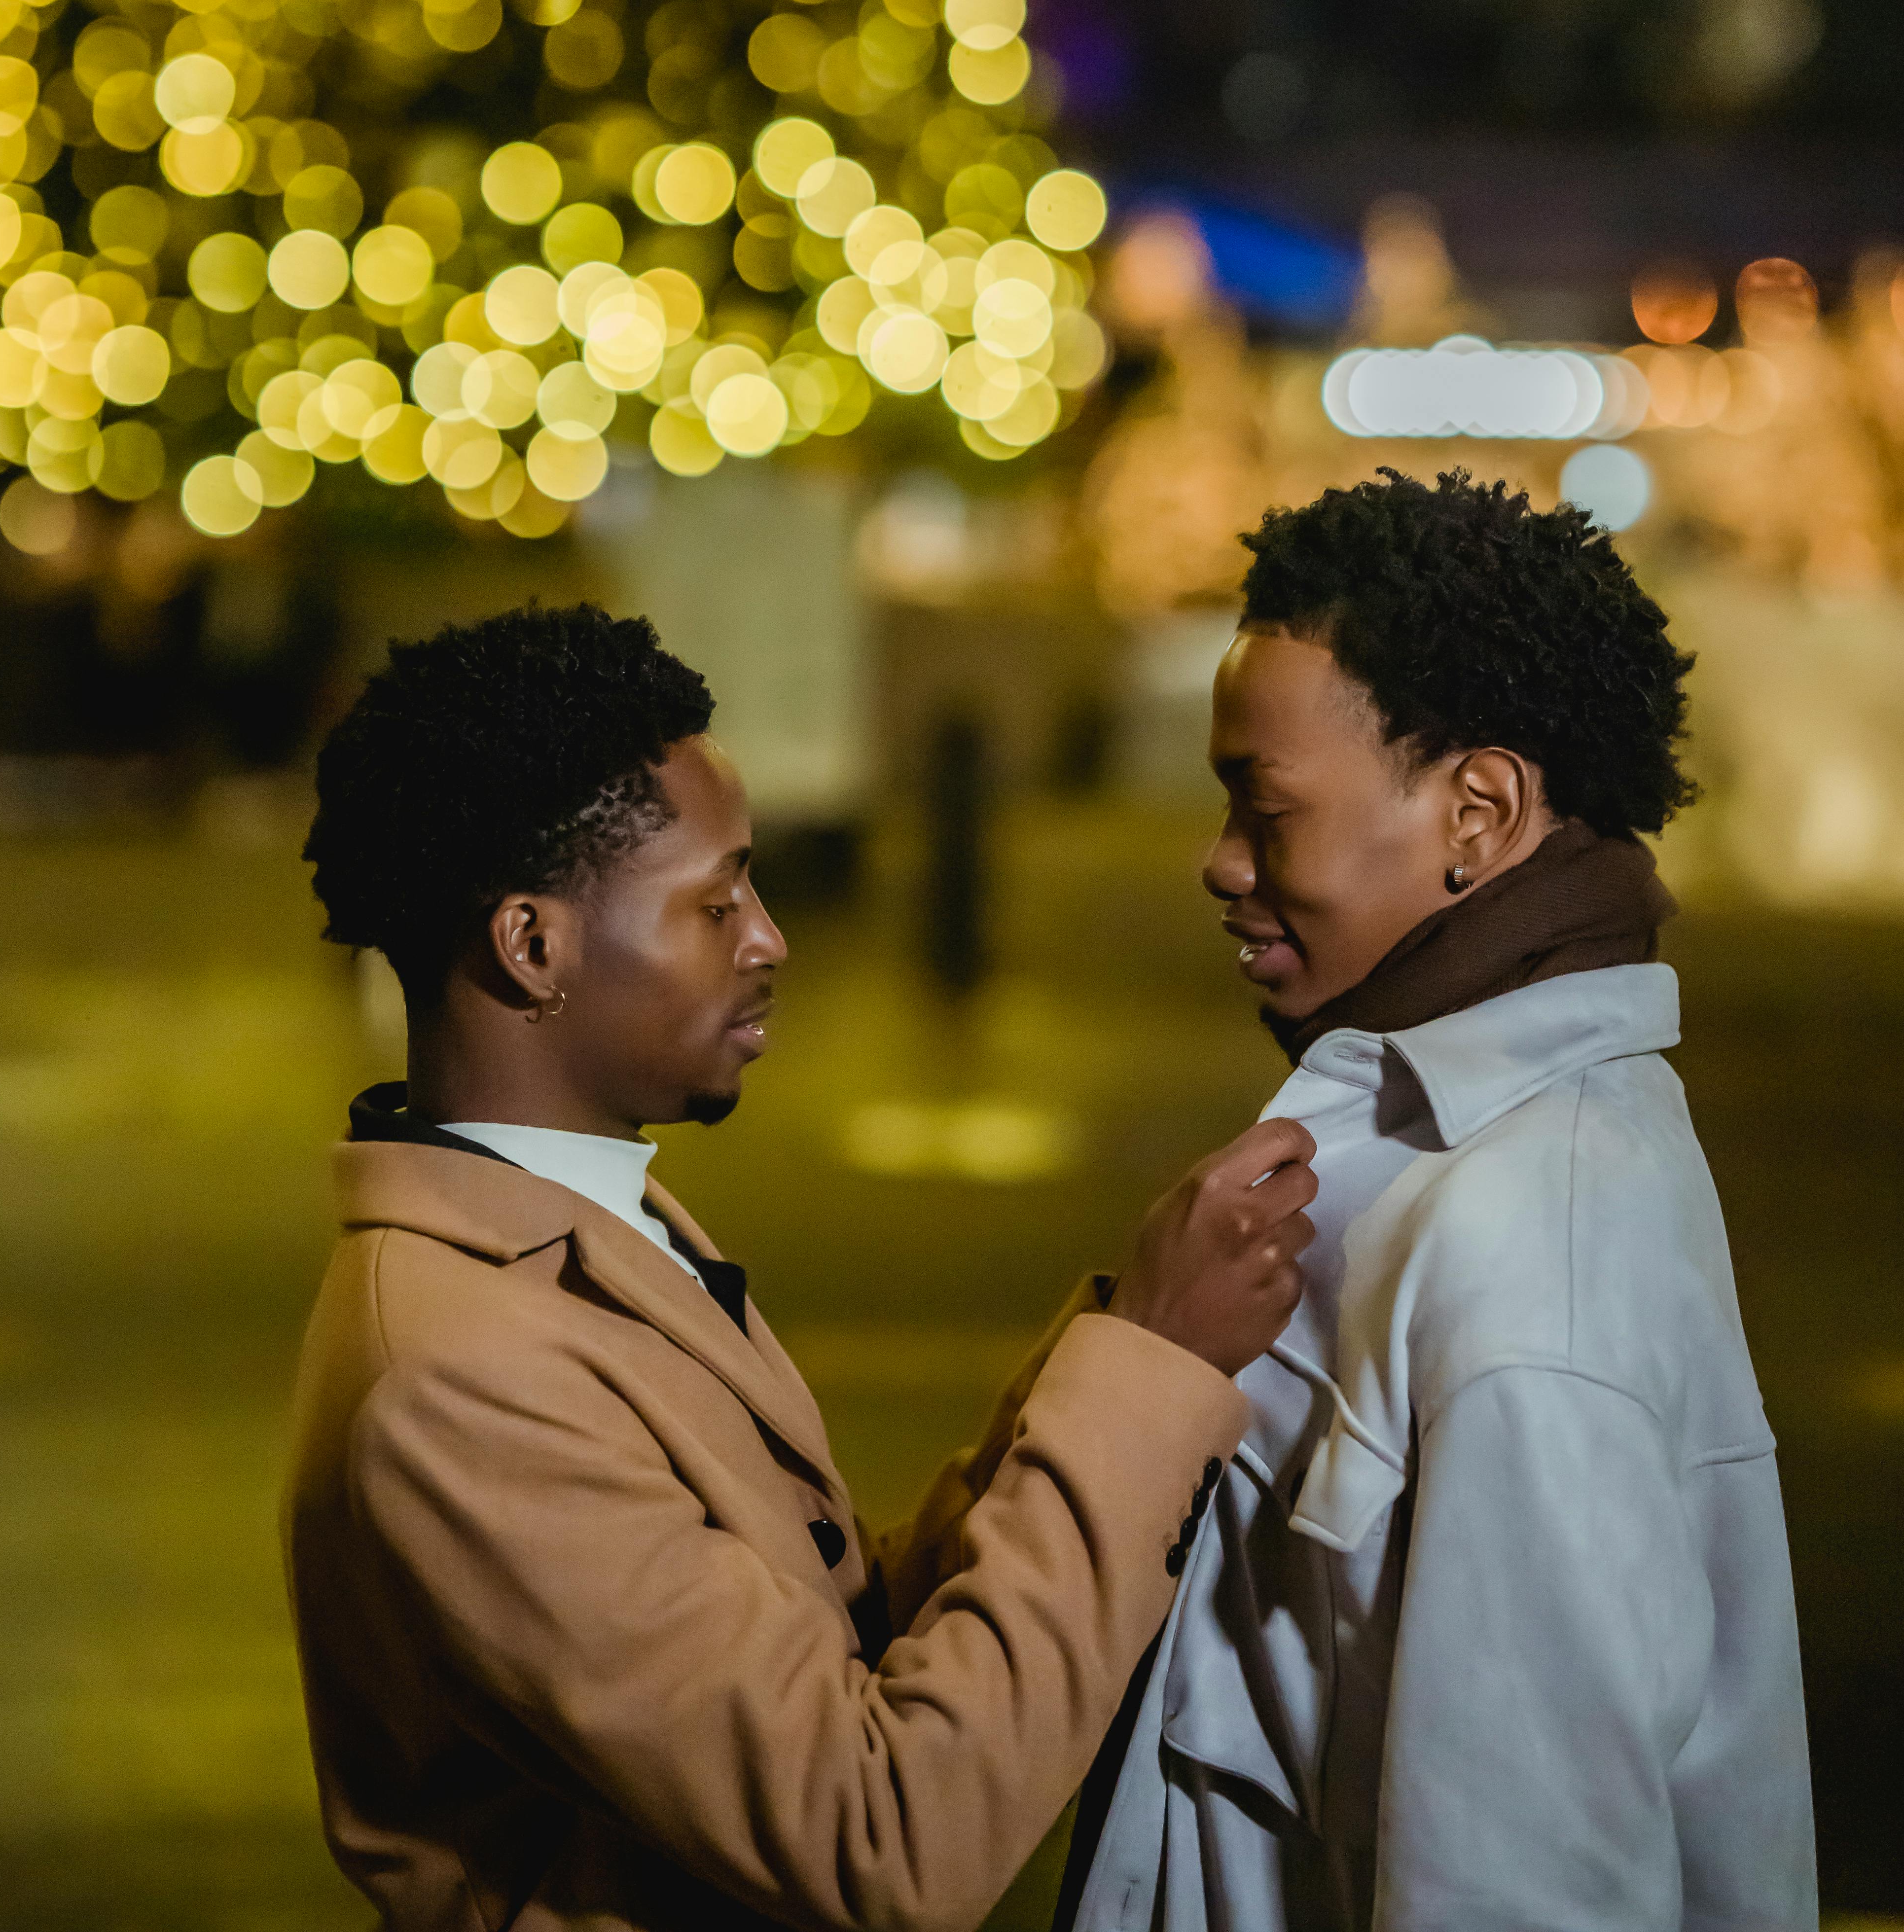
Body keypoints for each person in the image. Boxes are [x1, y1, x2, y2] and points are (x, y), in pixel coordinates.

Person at [284, 603, 1317, 1932]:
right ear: (532, 944)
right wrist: (1152, 1373)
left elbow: (812, 1637)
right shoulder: (457, 1376)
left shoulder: (582, 1228)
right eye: (715, 902)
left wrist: (1090, 1373)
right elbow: (882, 1840)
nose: (770, 940)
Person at [1061, 469, 1817, 1932]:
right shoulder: (1425, 1147)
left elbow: (1527, 1890)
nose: (1220, 863)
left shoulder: (1533, 1242)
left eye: (1262, 808)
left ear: (1478, 810)